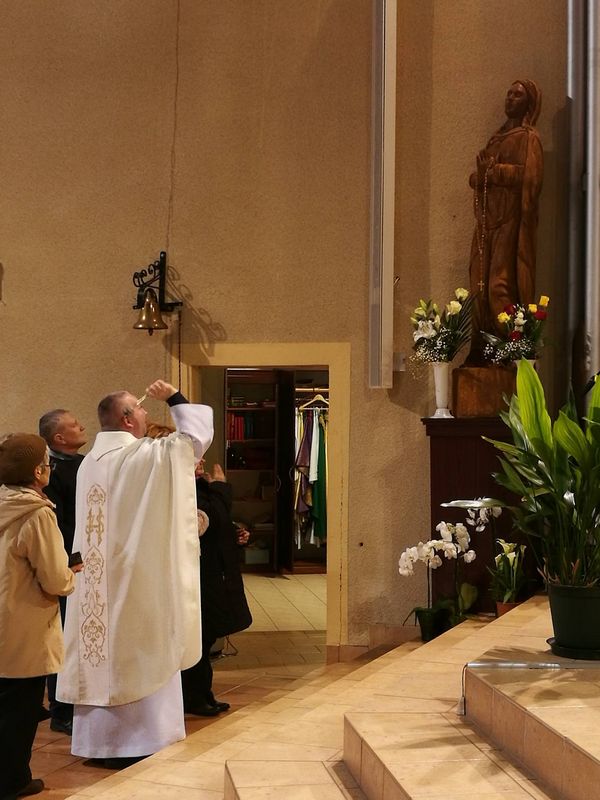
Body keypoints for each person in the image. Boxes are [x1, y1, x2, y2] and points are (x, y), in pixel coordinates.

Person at [56, 380, 213, 767]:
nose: (145, 413)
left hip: (95, 581)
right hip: (135, 578)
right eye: (140, 408)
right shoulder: (140, 456)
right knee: (143, 646)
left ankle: (101, 744)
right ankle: (139, 740)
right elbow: (193, 439)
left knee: (102, 652)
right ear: (127, 419)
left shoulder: (90, 462)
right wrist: (174, 397)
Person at [0, 433, 83, 800]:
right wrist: (70, 574)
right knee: (19, 710)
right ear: (37, 471)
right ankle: (13, 781)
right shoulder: (36, 513)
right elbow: (54, 578)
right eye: (47, 464)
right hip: (24, 624)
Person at [465, 79, 543, 365]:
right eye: (509, 93)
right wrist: (479, 177)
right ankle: (481, 348)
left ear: (529, 104)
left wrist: (495, 172)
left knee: (499, 285)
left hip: (510, 222)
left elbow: (531, 178)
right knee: (478, 285)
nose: (510, 98)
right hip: (488, 221)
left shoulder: (528, 138)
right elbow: (484, 176)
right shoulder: (496, 138)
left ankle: (509, 351)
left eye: (517, 95)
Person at [181, 459, 252, 716]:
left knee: (205, 635)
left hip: (211, 571)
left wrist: (235, 534)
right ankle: (194, 697)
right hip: (196, 573)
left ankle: (202, 694)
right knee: (198, 637)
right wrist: (221, 488)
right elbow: (203, 523)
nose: (201, 460)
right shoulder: (181, 488)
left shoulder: (200, 486)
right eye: (194, 455)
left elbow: (217, 524)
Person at [38, 409, 87, 736]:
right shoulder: (52, 474)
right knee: (65, 637)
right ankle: (61, 710)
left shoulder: (84, 462)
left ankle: (79, 700)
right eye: (74, 425)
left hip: (88, 561)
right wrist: (73, 557)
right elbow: (60, 523)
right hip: (70, 561)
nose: (81, 426)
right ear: (59, 437)